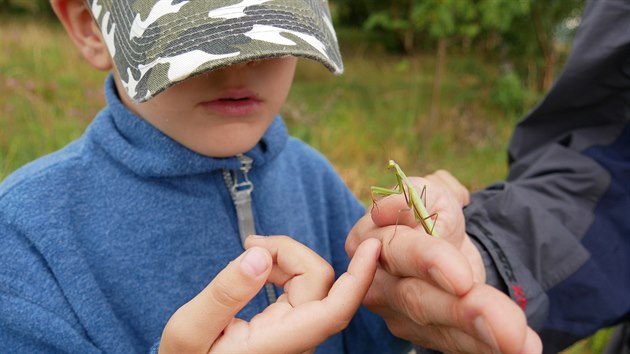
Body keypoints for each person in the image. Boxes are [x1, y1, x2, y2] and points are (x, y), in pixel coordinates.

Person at [0, 0, 413, 353]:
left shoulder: (313, 176)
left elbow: (378, 336)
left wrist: (421, 294)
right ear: (90, 27)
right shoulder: (23, 233)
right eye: (198, 44)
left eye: (273, 35)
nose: (242, 62)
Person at [346, 0, 630, 352]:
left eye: (393, 168)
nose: (392, 169)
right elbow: (607, 163)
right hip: (455, 253)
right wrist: (487, 253)